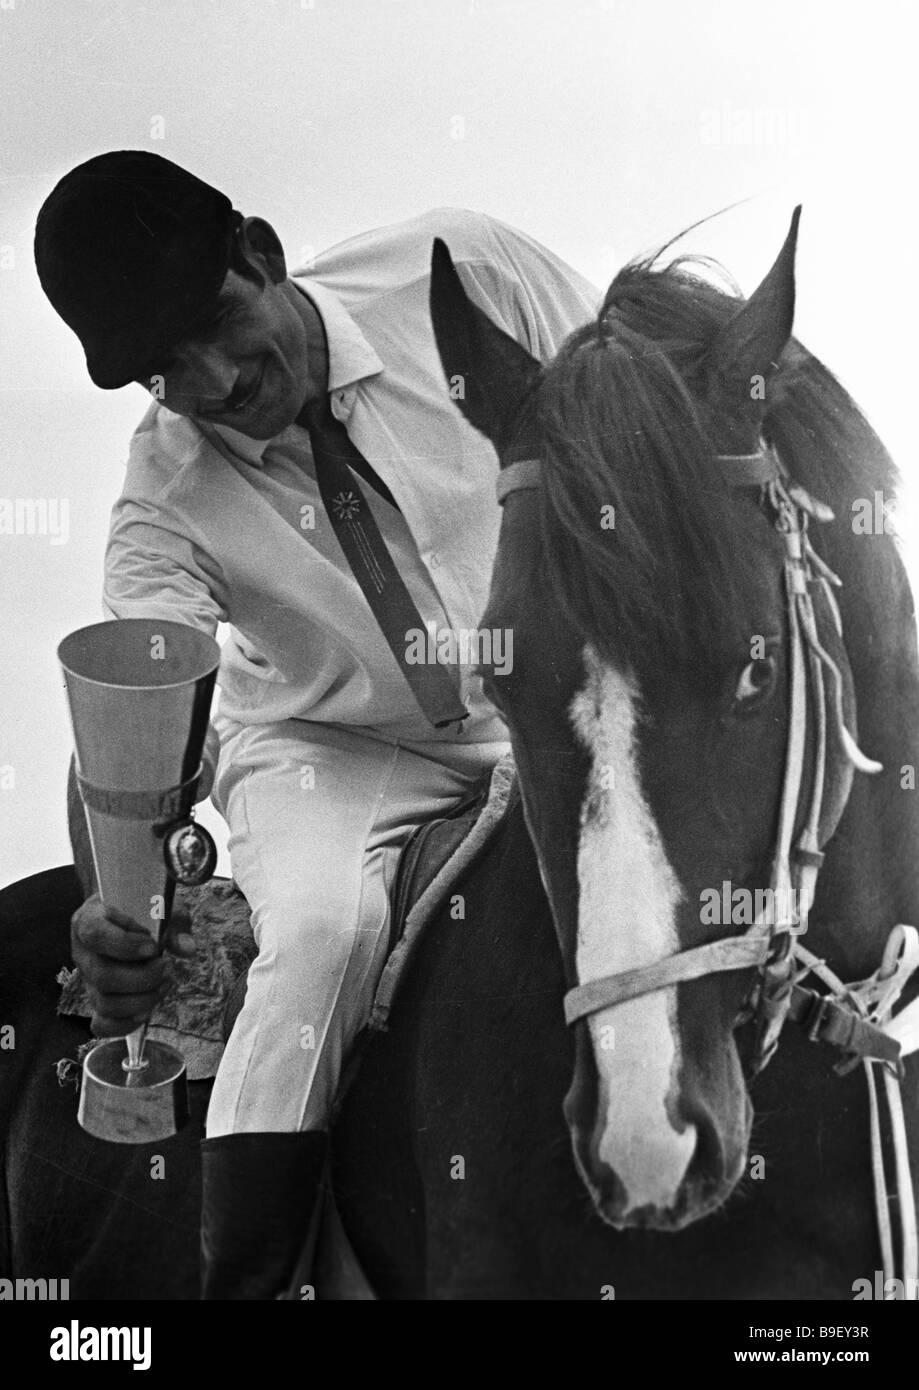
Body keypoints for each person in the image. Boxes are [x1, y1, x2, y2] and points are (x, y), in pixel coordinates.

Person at [35, 150, 598, 1298]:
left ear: (260, 252)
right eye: (161, 372)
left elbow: (634, 422)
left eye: (212, 322)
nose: (209, 382)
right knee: (321, 943)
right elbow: (137, 716)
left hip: (550, 709)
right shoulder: (161, 493)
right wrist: (117, 898)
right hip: (327, 752)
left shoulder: (472, 271)